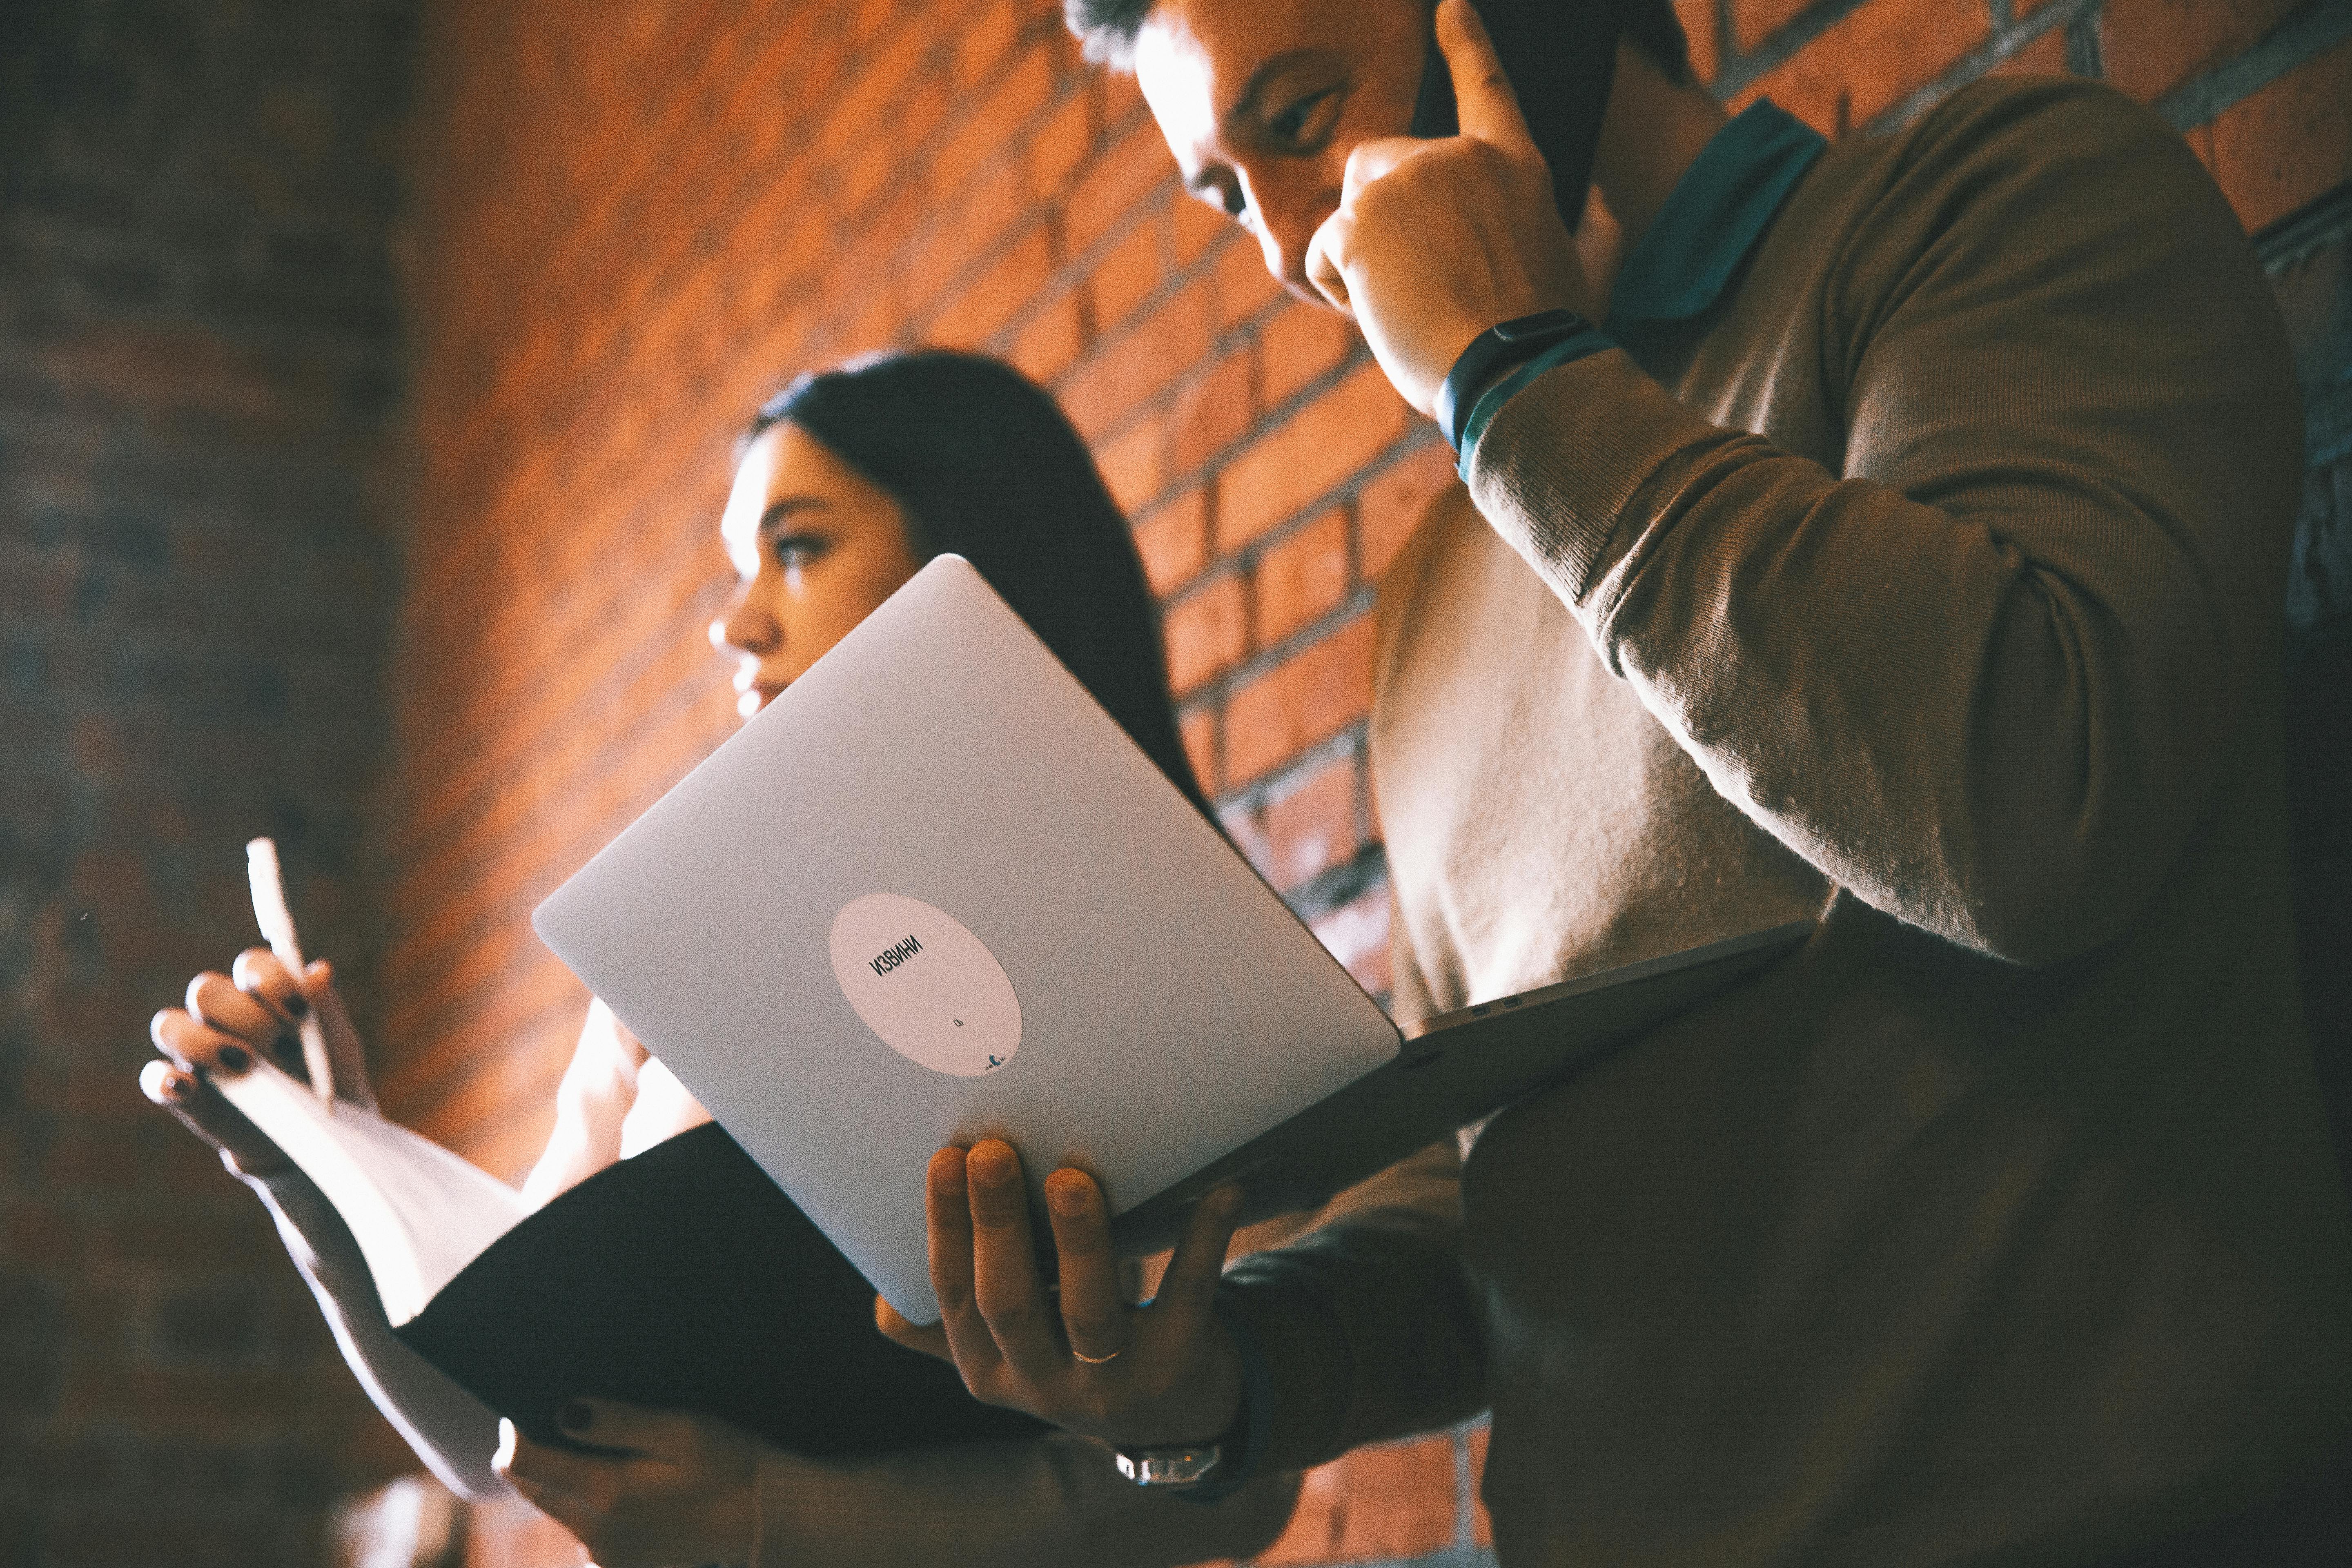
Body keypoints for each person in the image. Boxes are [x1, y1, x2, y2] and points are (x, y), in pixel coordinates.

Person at [885, 1, 2352, 1562]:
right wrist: (1213, 1373)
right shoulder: (1443, 588)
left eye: (1303, 123)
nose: (1290, 249)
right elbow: (1487, 1202)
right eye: (1229, 191)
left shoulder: (1990, 202)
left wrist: (1512, 376)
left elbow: (2036, 804)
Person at [142, 350, 1455, 1566]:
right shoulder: (670, 967)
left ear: (970, 549)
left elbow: (1233, 1473)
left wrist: (783, 1522)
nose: (735, 626)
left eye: (798, 548)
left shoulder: (1174, 948)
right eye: (736, 568)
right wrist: (314, 1171)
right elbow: (498, 1438)